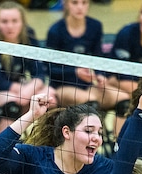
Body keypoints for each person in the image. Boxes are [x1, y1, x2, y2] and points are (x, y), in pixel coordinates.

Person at [45, 0, 132, 138]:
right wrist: (74, 72)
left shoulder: (95, 26)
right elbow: (50, 69)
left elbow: (98, 58)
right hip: (64, 86)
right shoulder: (56, 31)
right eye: (75, 3)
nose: (80, 7)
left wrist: (100, 75)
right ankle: (90, 143)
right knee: (91, 103)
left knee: (125, 100)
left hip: (90, 85)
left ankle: (118, 147)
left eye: (84, 2)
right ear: (66, 4)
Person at [0, 1, 56, 137]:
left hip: (18, 91)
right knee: (11, 101)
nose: (10, 26)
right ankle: (3, 148)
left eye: (14, 21)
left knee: (50, 94)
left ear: (22, 22)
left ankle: (44, 143)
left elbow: (40, 73)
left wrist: (28, 90)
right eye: (4, 21)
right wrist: (23, 92)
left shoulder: (28, 35)